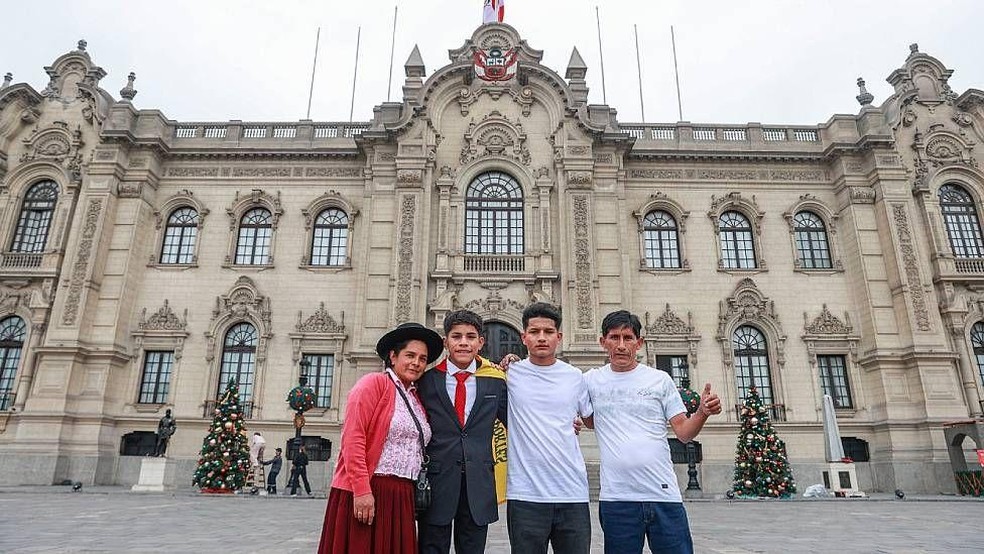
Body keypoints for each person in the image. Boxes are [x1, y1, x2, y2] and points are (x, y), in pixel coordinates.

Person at [584, 310, 722, 554]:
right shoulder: (591, 381)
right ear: (603, 342)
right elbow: (587, 418)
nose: (621, 345)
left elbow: (683, 433)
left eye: (628, 338)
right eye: (614, 338)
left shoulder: (659, 380)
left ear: (639, 343)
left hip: (663, 495)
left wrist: (701, 412)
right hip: (617, 499)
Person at [319, 322, 444, 554]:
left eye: (423, 358)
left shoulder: (415, 397)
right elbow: (353, 439)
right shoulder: (373, 384)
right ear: (393, 356)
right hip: (369, 489)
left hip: (402, 494)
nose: (416, 363)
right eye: (410, 355)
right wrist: (362, 491)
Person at [416, 309, 508, 554]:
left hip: (479, 484)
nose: (464, 343)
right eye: (456, 337)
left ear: (481, 342)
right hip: (437, 483)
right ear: (446, 341)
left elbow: (519, 423)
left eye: (470, 336)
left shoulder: (496, 382)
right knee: (431, 548)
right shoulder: (426, 382)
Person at [505, 302, 593, 554]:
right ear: (523, 337)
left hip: (572, 493)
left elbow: (591, 419)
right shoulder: (510, 375)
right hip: (525, 495)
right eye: (534, 332)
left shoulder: (575, 377)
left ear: (559, 337)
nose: (541, 338)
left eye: (548, 332)